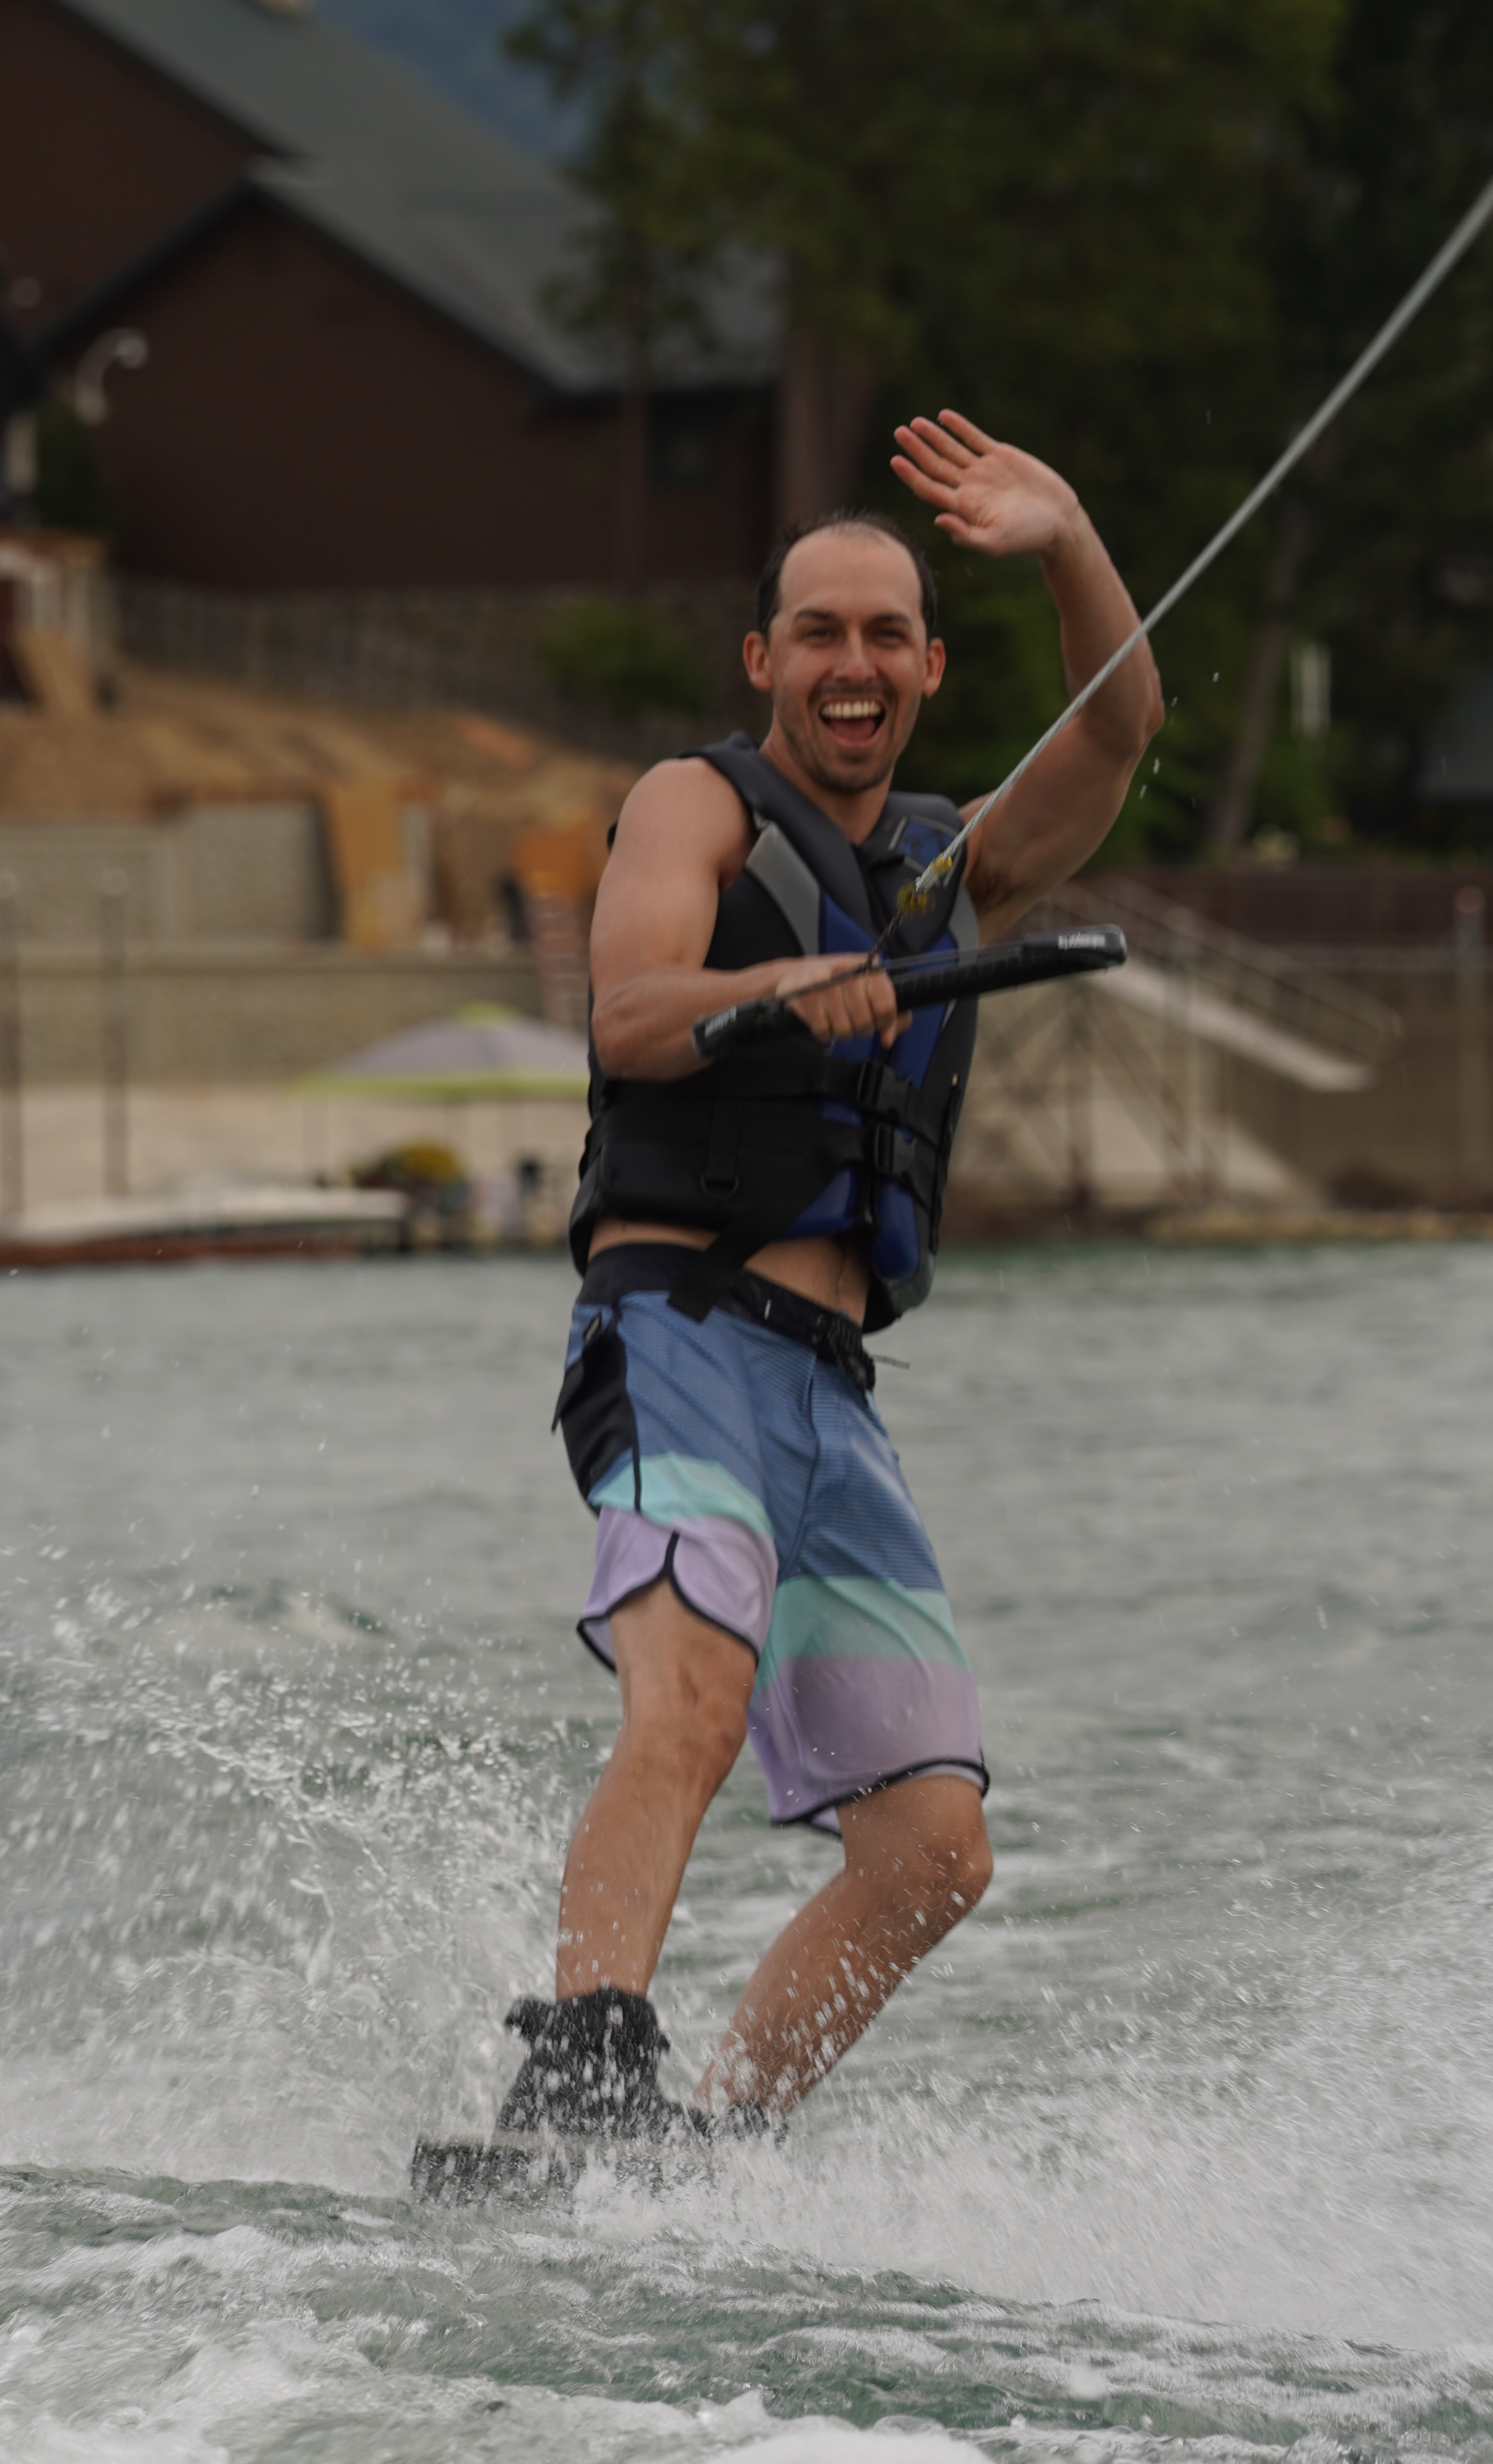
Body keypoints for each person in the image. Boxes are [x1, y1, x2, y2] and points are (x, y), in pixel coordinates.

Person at [495, 411, 1162, 2138]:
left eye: (885, 636)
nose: (850, 666)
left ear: (931, 667)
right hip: (676, 1336)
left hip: (830, 1401)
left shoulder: (951, 867)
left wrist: (1069, 536)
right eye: (817, 633)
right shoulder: (695, 806)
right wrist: (779, 989)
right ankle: (576, 2085)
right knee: (694, 1701)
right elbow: (629, 1012)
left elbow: (1120, 729)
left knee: (935, 1849)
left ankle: (713, 2152)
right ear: (763, 659)